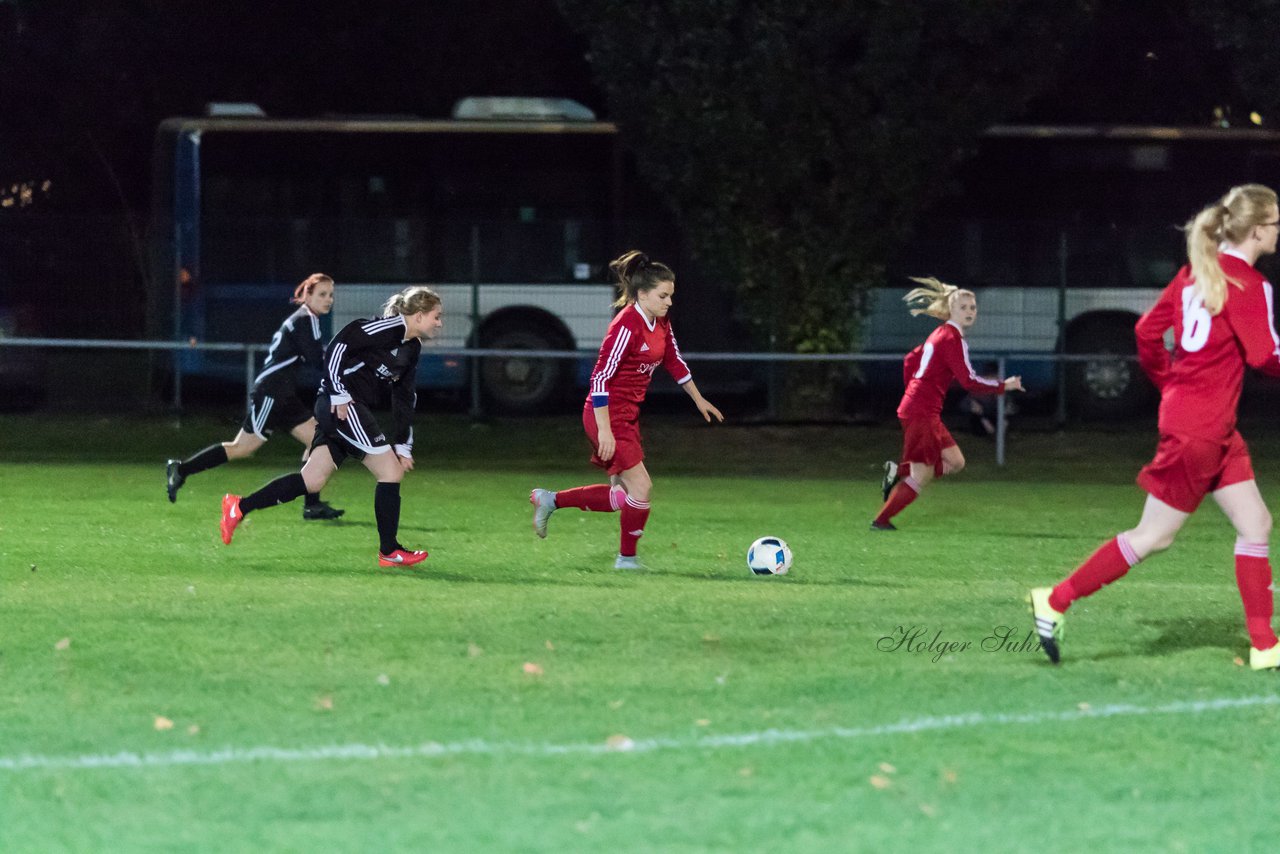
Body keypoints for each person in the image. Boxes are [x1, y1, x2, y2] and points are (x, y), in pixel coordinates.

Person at [1030, 184, 1280, 670]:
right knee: (1154, 536)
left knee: (1256, 523)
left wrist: (1171, 384)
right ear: (1255, 230)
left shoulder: (1196, 274)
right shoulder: (1249, 283)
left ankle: (1265, 645)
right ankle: (1056, 599)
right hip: (1201, 428)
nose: (1279, 232)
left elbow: (1146, 332)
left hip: (1206, 423)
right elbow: (1265, 356)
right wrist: (1182, 392)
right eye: (1275, 224)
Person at [219, 286, 443, 568]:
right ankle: (389, 550)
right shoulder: (384, 328)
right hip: (342, 407)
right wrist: (338, 393)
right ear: (420, 315)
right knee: (390, 471)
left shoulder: (411, 348)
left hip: (344, 408)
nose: (439, 323)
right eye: (436, 316)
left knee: (311, 480)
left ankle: (238, 507)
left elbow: (404, 395)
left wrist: (403, 443)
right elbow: (337, 347)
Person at [528, 250, 723, 569]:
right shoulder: (626, 325)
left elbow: (673, 358)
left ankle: (550, 500)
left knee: (620, 497)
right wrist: (604, 429)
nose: (669, 302)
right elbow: (600, 377)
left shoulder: (659, 319)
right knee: (642, 487)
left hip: (626, 416)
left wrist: (698, 398)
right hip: (605, 414)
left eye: (671, 296)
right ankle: (627, 560)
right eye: (663, 296)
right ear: (643, 294)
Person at [166, 273, 344, 520]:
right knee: (242, 448)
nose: (328, 300)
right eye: (322, 294)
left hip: (283, 393)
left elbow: (317, 358)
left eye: (331, 295)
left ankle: (311, 505)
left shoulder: (306, 318)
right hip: (271, 393)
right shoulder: (306, 319)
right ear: (308, 296)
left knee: (319, 440)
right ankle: (181, 469)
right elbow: (317, 360)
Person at [871, 277, 1023, 530]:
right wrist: (1003, 386)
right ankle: (881, 520)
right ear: (951, 310)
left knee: (956, 462)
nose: (969, 312)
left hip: (922, 408)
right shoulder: (953, 339)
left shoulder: (940, 333)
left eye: (972, 308)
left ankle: (898, 472)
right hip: (921, 410)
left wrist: (914, 390)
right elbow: (969, 381)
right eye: (963, 308)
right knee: (921, 475)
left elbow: (910, 359)